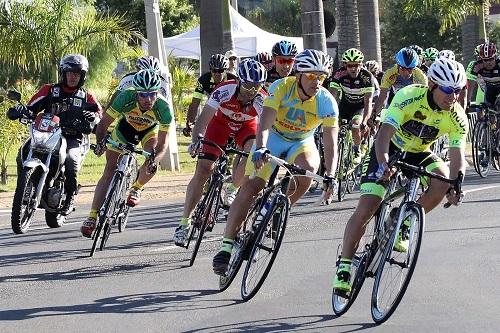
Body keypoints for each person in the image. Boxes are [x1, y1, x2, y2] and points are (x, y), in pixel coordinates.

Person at [332, 57, 468, 293]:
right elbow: (385, 133)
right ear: (433, 85)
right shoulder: (409, 96)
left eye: (457, 90)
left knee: (444, 178)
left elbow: (457, 156)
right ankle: (344, 264)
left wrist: (456, 185)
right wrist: (384, 163)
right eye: (447, 89)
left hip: (419, 153)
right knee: (367, 207)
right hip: (390, 148)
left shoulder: (457, 115)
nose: (453, 96)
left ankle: (404, 218)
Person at [212, 49, 340, 274]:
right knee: (251, 186)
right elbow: (265, 123)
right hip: (273, 137)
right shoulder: (280, 87)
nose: (316, 81)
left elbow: (330, 142)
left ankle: (280, 209)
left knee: (309, 170)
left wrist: (332, 174)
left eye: (321, 76)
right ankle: (226, 245)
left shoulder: (326, 102)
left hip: (301, 141)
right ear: (298, 74)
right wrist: (260, 148)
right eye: (311, 76)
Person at [172, 59, 269, 246]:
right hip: (220, 125)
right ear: (239, 81)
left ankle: (233, 188)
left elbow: (265, 127)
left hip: (246, 127)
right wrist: (196, 140)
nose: (252, 90)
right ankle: (184, 224)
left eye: (257, 86)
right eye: (248, 85)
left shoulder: (261, 99)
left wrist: (262, 150)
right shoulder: (224, 90)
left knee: (252, 154)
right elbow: (203, 119)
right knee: (204, 170)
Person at [80, 69, 173, 238]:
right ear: (136, 93)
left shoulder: (164, 107)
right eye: (143, 95)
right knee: (109, 169)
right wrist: (101, 143)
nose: (148, 99)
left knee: (152, 156)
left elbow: (163, 143)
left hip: (149, 132)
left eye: (152, 94)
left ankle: (137, 188)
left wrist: (154, 161)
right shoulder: (125, 97)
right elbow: (103, 125)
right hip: (125, 129)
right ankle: (92, 216)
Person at [19, 54, 102, 216]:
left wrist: (94, 119)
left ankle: (70, 196)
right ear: (62, 73)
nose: (73, 76)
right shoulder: (49, 90)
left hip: (73, 137)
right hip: (47, 134)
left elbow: (100, 115)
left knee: (71, 160)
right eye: (69, 72)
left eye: (77, 73)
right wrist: (22, 111)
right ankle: (24, 187)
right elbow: (31, 106)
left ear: (83, 76)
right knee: (25, 149)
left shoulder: (87, 96)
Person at [330, 48, 376, 164]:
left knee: (356, 126)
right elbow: (331, 95)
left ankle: (357, 150)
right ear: (345, 65)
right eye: (350, 66)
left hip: (359, 107)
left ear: (361, 64)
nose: (353, 68)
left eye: (356, 65)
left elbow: (368, 102)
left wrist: (365, 120)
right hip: (345, 105)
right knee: (332, 125)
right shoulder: (339, 74)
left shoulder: (367, 77)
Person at [183, 54, 238, 137]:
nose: (217, 73)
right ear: (210, 70)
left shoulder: (234, 79)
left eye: (220, 71)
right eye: (214, 70)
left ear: (226, 70)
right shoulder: (203, 80)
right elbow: (195, 103)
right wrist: (189, 122)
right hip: (213, 109)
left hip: (231, 109)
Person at [374, 47, 428, 117]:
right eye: (403, 69)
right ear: (398, 65)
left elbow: (425, 99)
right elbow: (381, 98)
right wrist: (374, 115)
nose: (406, 73)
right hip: (394, 102)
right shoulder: (390, 73)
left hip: (413, 105)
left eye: (410, 69)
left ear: (414, 67)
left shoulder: (420, 76)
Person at [468, 42, 500, 107]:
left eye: (491, 59)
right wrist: (467, 101)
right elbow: (469, 85)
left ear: (496, 56)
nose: (488, 62)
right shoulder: (476, 65)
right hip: (489, 90)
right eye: (485, 60)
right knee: (482, 110)